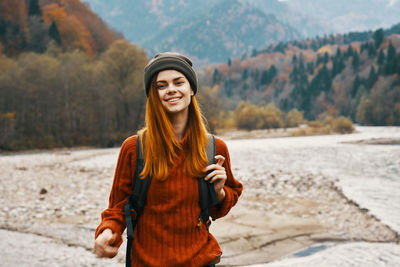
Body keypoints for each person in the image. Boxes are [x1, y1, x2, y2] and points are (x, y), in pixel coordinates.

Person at [93, 52, 243, 267]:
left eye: (178, 82)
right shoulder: (133, 148)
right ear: (153, 95)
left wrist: (218, 192)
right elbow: (117, 207)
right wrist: (108, 232)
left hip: (200, 260)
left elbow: (221, 205)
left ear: (191, 89)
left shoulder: (214, 148)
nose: (171, 89)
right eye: (161, 86)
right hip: (146, 262)